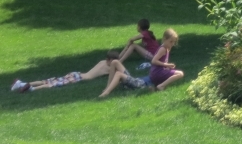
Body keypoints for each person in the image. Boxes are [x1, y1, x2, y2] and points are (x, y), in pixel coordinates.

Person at [11, 51, 147, 97]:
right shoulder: (109, 67)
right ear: (112, 60)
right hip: (81, 78)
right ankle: (32, 89)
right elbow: (115, 70)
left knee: (50, 80)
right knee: (55, 84)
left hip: (77, 73)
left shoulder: (102, 61)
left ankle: (22, 84)